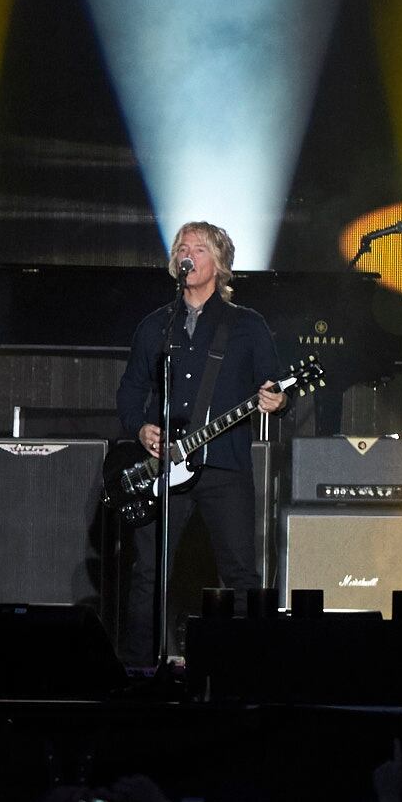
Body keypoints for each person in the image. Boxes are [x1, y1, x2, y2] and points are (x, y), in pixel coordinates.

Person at [115, 219, 288, 667]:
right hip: (162, 468)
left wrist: (276, 399)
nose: (186, 254)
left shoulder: (246, 326)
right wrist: (140, 429)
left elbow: (275, 388)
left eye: (198, 248)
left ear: (220, 263)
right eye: (181, 247)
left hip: (224, 468)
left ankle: (251, 668)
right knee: (149, 572)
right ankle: (136, 668)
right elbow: (131, 391)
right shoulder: (156, 326)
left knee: (240, 574)